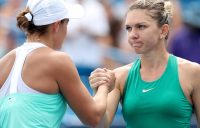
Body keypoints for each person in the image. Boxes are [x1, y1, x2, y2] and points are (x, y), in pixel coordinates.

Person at [0, 0, 115, 127]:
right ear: (56, 25)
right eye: (67, 23)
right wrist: (104, 85)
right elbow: (94, 118)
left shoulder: (4, 62)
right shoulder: (58, 60)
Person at [89, 0, 200, 128]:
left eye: (141, 26)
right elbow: (100, 124)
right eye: (128, 28)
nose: (132, 35)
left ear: (163, 31)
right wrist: (99, 91)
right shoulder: (119, 76)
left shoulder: (193, 72)